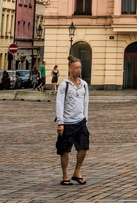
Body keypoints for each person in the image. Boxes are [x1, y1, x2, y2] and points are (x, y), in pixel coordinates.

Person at [55, 58, 90, 186]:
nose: (78, 70)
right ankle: (65, 175)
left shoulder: (84, 84)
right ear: (70, 68)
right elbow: (59, 103)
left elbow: (86, 103)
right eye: (76, 68)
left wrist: (85, 119)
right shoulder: (65, 84)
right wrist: (60, 122)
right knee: (64, 150)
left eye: (80, 67)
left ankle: (77, 171)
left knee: (84, 147)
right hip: (67, 122)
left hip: (80, 121)